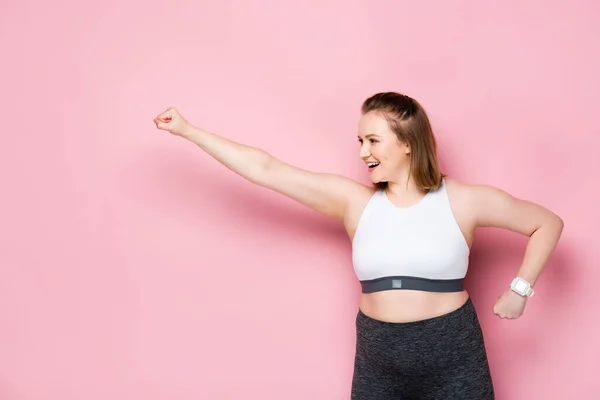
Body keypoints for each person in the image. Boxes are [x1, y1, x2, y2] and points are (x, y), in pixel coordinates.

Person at [153, 92, 564, 399]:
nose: (363, 152)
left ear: (407, 142)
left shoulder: (464, 199)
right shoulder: (354, 202)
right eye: (359, 141)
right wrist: (188, 131)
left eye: (372, 140)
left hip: (451, 352)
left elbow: (546, 223)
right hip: (378, 358)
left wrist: (520, 289)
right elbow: (266, 169)